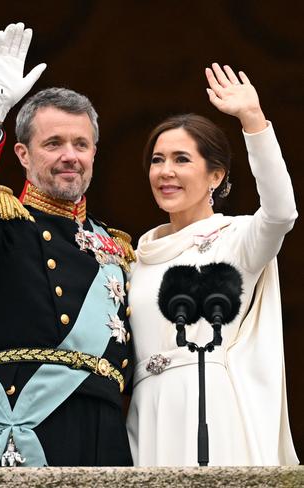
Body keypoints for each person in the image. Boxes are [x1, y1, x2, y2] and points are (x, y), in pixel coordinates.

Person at [0, 23, 135, 467]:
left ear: (94, 154)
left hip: (105, 434)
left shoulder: (115, 247)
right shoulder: (2, 226)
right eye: (54, 143)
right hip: (29, 425)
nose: (70, 155)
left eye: (81, 144)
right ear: (23, 155)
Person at [126, 63, 299, 466]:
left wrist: (253, 121)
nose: (165, 171)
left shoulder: (238, 240)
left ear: (215, 175)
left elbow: (281, 213)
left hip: (211, 407)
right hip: (147, 410)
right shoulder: (136, 255)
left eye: (182, 159)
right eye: (157, 160)